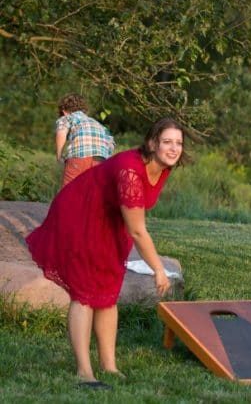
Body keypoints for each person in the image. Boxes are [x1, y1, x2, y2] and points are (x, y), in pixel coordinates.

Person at [26, 117, 185, 390]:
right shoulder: (130, 171)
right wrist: (158, 268)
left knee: (108, 291)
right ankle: (84, 371)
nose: (173, 148)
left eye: (179, 143)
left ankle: (109, 366)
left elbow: (131, 217)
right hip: (80, 214)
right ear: (151, 143)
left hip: (109, 219)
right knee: (85, 293)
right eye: (167, 142)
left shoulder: (162, 167)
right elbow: (137, 231)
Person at [54, 93, 116, 185]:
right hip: (100, 161)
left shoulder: (67, 117)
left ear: (64, 111)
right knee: (92, 194)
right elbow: (111, 143)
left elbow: (61, 132)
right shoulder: (98, 124)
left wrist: (59, 156)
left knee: (69, 193)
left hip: (79, 158)